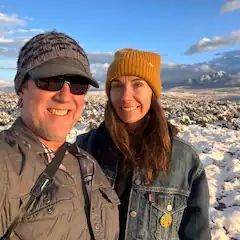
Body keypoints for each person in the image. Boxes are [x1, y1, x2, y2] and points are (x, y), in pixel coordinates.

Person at [77, 48, 211, 240]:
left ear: (153, 93)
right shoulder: (85, 149)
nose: (125, 96)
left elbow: (197, 234)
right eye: (117, 85)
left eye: (137, 84)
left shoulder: (184, 160)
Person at [0, 31, 119, 240]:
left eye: (77, 85)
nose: (65, 96)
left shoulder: (88, 164)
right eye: (50, 80)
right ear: (21, 89)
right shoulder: (5, 164)